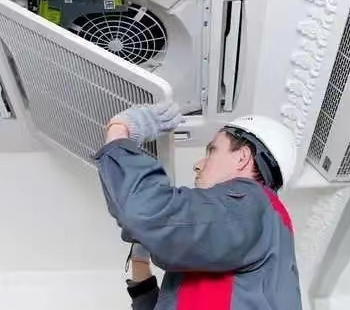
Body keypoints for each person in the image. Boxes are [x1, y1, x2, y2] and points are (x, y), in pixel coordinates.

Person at [93, 102, 302, 310]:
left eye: (212, 151)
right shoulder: (243, 232)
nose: (197, 165)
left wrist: (120, 131)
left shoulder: (253, 203)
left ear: (242, 157)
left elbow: (143, 211)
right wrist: (140, 266)